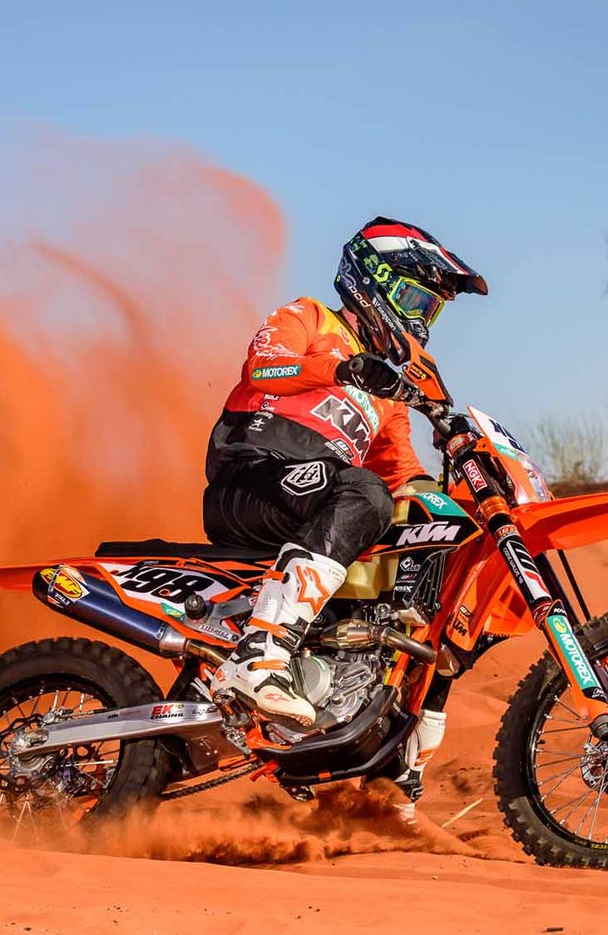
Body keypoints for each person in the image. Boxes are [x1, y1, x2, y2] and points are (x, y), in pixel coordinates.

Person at [202, 216, 487, 808]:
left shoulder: (388, 395)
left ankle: (393, 756)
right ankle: (261, 653)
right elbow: (264, 367)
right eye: (413, 299)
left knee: (436, 532)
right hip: (252, 474)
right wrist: (340, 367)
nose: (418, 319)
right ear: (373, 280)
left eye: (430, 310)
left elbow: (404, 474)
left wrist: (465, 497)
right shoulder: (310, 316)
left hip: (318, 500)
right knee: (364, 493)